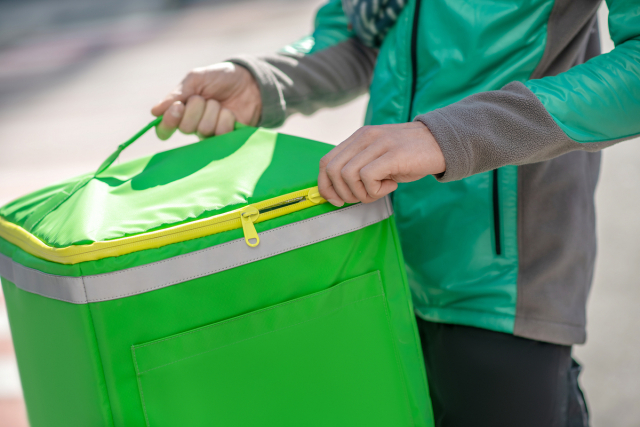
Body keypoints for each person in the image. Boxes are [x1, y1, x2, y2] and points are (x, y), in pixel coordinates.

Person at [151, 0, 639, 425]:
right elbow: (364, 33)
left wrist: (445, 136)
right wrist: (262, 82)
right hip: (382, 261)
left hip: (502, 286)